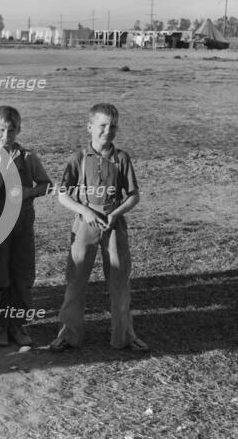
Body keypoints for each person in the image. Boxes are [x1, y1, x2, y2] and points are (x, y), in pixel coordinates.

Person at [50, 103, 149, 352]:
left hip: (114, 225)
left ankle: (124, 336)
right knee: (76, 280)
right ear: (90, 127)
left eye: (113, 126)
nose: (108, 131)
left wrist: (115, 214)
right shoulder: (79, 159)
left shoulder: (121, 158)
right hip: (85, 224)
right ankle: (68, 335)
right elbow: (62, 195)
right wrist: (84, 211)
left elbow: (133, 195)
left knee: (119, 281)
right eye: (102, 126)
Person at [0, 106, 52, 348]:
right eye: (1, 130)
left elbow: (45, 185)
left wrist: (28, 192)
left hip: (22, 226)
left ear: (19, 130)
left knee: (22, 274)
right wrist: (5, 164)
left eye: (11, 131)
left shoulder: (28, 157)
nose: (6, 136)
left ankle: (18, 324)